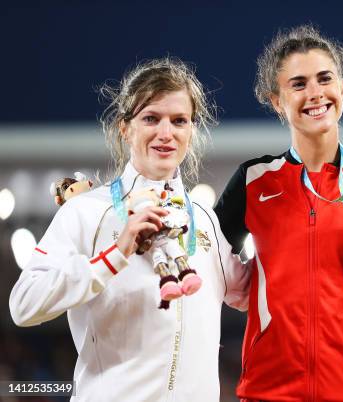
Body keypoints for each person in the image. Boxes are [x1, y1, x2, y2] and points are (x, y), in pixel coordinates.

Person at [9, 58, 251, 401]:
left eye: (179, 121)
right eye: (151, 118)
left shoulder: (203, 218)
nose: (166, 133)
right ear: (125, 128)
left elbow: (246, 292)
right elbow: (23, 305)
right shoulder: (87, 212)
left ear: (191, 131)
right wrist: (115, 254)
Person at [214, 25, 343, 401]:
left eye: (324, 79)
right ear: (276, 101)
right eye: (298, 84)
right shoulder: (255, 180)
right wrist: (244, 292)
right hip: (267, 391)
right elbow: (207, 256)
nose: (315, 94)